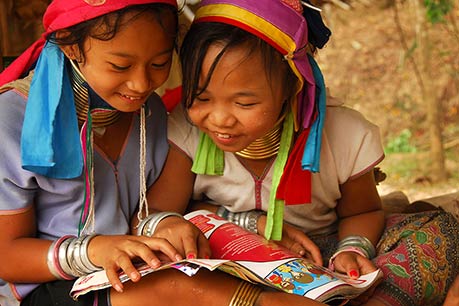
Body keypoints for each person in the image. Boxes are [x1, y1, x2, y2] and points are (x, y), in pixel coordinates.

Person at [0, 1, 327, 306]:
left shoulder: (149, 113)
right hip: (46, 288)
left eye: (159, 63)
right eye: (120, 65)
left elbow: (160, 208)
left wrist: (244, 223)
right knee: (181, 286)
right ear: (70, 43)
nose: (142, 84)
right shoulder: (11, 122)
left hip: (135, 270)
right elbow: (7, 257)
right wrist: (96, 250)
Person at [147, 0, 459, 305]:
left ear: (292, 85)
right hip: (232, 261)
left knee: (442, 231)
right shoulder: (186, 130)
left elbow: (362, 212)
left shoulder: (343, 134)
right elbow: (160, 215)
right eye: (201, 98)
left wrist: (352, 251)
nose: (219, 119)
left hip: (323, 252)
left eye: (244, 103)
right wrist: (247, 223)